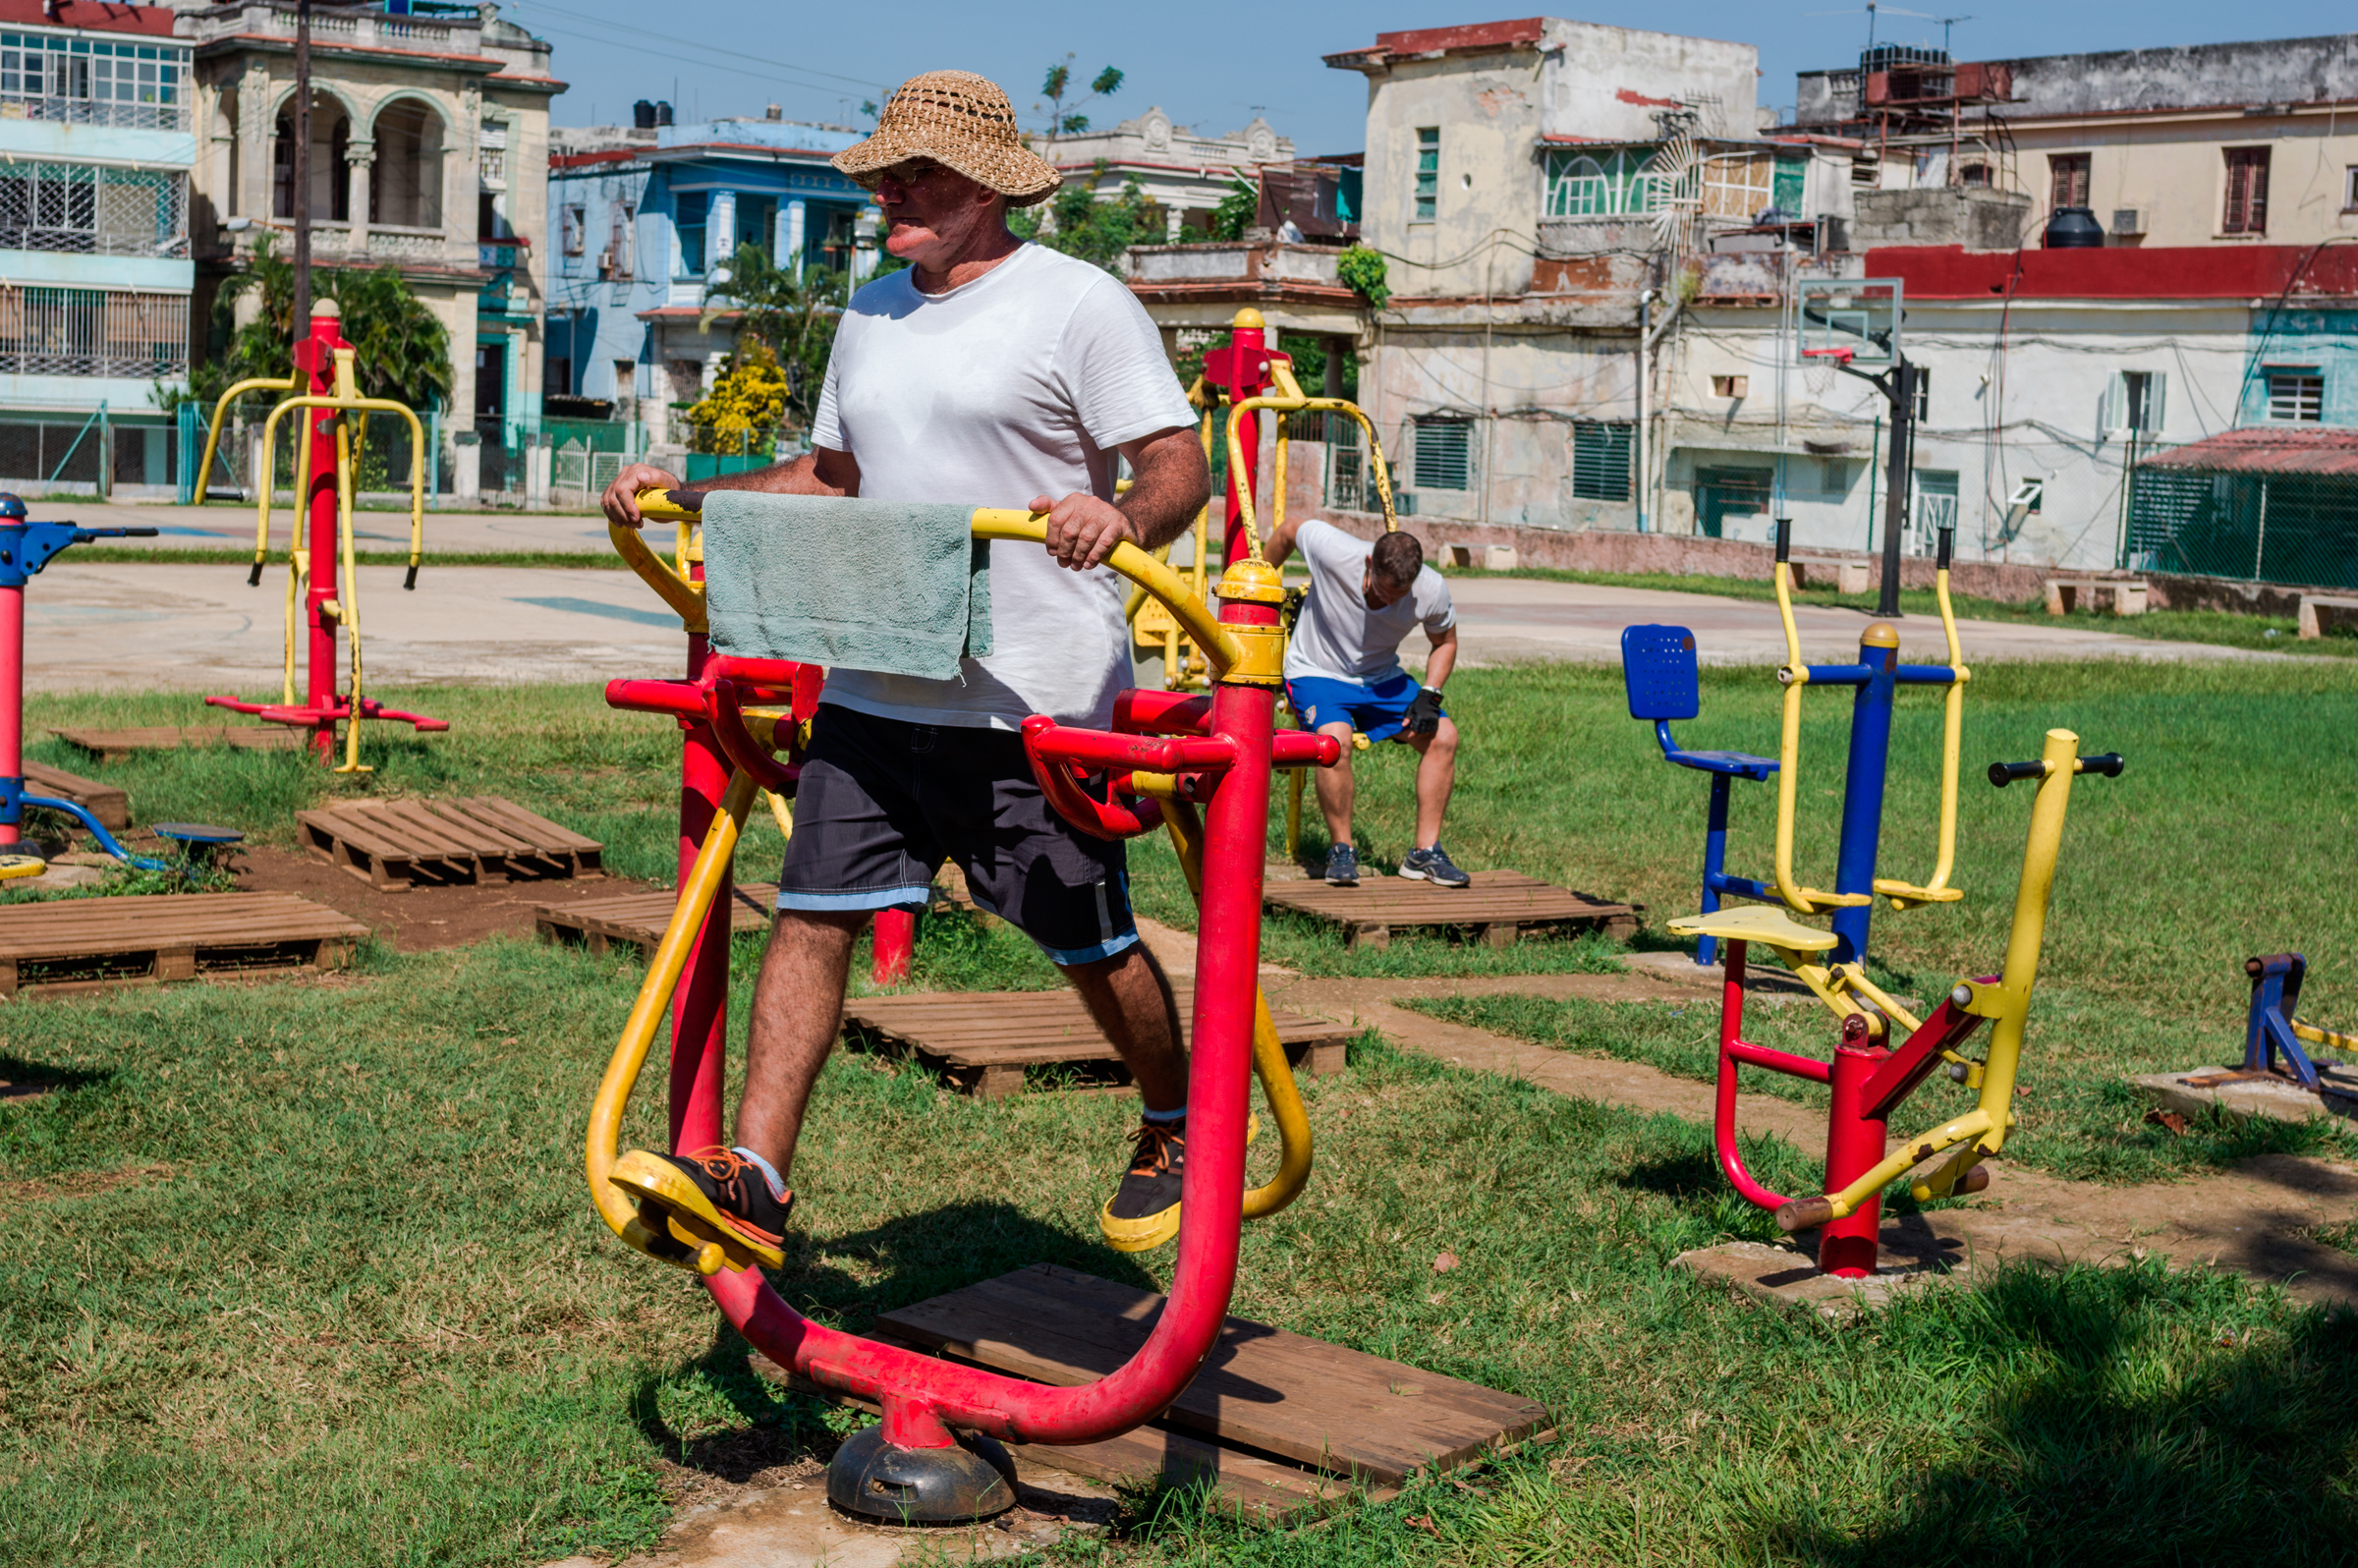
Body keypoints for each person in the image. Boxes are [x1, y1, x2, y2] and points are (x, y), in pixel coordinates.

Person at [597, 71, 1212, 1260]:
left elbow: (1176, 464)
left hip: (1027, 692)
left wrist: (1121, 518)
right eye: (883, 173)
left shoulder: (1077, 304)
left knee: (1082, 935)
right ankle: (757, 1176)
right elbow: (833, 480)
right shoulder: (873, 311)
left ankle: (1171, 1116)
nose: (890, 192)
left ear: (983, 186)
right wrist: (688, 492)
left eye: (914, 173)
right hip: (881, 672)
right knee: (813, 915)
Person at [1264, 517, 1466, 889]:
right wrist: (1258, 581)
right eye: (1382, 590)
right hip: (1315, 671)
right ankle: (1342, 850)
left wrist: (1430, 692)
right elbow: (1289, 529)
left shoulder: (1431, 588)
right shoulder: (1335, 550)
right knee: (1333, 742)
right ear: (1370, 563)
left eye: (1397, 596)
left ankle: (1424, 853)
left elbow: (1445, 642)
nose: (1387, 601)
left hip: (1380, 678)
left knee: (1445, 736)